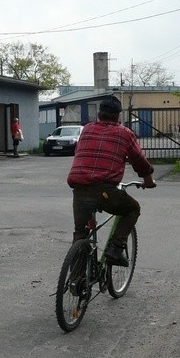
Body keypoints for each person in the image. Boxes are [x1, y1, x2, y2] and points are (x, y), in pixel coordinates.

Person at [67, 95, 155, 267]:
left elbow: (80, 151)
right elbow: (139, 160)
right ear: (118, 116)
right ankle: (115, 248)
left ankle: (76, 279)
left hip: (79, 188)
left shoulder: (86, 129)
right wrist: (148, 180)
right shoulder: (124, 133)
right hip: (104, 190)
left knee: (80, 232)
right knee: (132, 209)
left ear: (99, 114)